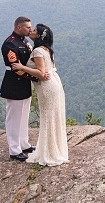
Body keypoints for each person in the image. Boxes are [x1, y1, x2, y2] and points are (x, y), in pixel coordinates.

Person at [10, 23, 69, 166]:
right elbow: (49, 69)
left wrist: (21, 67)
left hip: (46, 88)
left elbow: (42, 74)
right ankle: (54, 150)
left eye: (35, 30)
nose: (31, 31)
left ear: (39, 35)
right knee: (53, 118)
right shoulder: (47, 50)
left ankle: (49, 152)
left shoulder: (37, 51)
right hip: (54, 85)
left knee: (48, 118)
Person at [0, 16, 49, 161]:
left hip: (24, 84)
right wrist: (37, 77)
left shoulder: (24, 42)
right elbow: (16, 68)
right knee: (14, 118)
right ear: (19, 27)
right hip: (14, 84)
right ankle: (14, 150)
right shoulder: (10, 44)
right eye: (28, 27)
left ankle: (24, 143)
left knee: (23, 116)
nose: (30, 29)